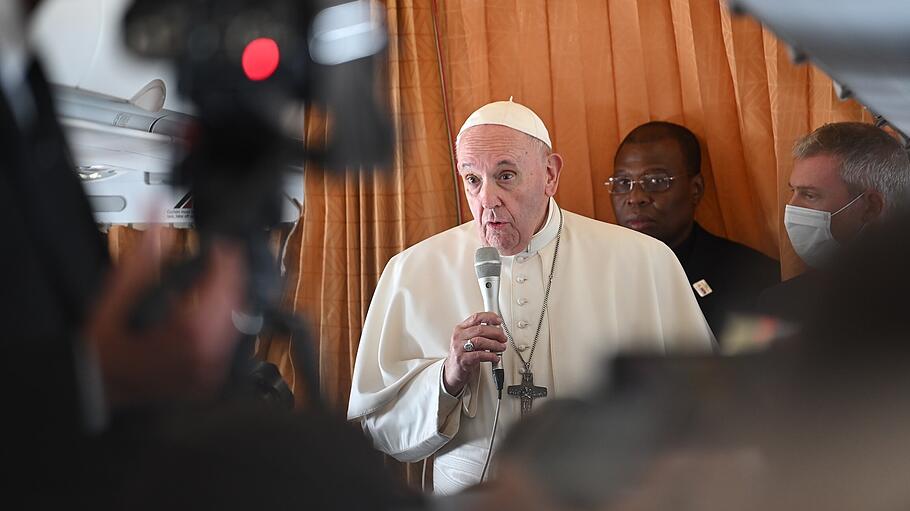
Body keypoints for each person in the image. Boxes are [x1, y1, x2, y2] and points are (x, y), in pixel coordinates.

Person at [347, 99, 715, 494]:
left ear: (550, 174)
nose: (487, 199)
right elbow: (378, 423)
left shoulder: (643, 260)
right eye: (473, 179)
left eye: (506, 176)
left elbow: (701, 403)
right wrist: (448, 377)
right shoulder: (413, 270)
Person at [609, 121, 779, 340]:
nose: (635, 197)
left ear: (695, 189)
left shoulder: (752, 277)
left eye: (656, 181)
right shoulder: (590, 272)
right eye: (623, 182)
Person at [757, 122, 910, 323]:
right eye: (792, 191)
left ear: (871, 207)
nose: (792, 207)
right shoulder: (776, 304)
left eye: (809, 195)